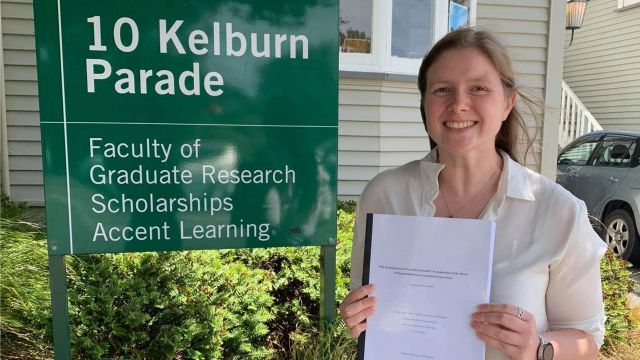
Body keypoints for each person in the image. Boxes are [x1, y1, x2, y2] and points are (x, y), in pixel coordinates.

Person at [339, 28, 607, 360]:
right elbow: (368, 313)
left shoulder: (558, 211)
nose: (459, 104)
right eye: (442, 90)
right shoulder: (384, 195)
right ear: (424, 105)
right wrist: (357, 317)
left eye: (478, 88)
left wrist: (538, 347)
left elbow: (588, 341)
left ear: (508, 102)